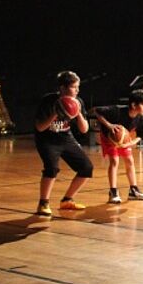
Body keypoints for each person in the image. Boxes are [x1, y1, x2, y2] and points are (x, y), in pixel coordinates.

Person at [33, 71, 93, 216]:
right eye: (74, 87)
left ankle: (67, 200)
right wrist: (55, 113)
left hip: (66, 137)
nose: (77, 90)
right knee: (52, 168)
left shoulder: (78, 101)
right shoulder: (48, 101)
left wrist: (77, 112)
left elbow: (84, 130)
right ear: (62, 88)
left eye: (78, 87)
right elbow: (40, 127)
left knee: (86, 168)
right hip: (47, 139)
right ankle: (43, 203)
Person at [93, 90, 143, 204]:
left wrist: (129, 144)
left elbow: (140, 136)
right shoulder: (116, 110)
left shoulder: (140, 118)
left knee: (129, 160)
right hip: (109, 137)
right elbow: (96, 111)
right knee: (114, 161)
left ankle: (133, 190)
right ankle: (113, 192)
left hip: (124, 138)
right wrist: (109, 126)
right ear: (134, 105)